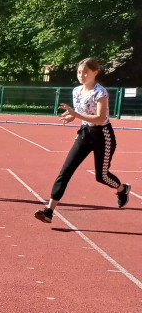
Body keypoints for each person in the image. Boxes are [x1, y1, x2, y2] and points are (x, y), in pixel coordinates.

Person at [35, 58, 130, 223]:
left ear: (95, 72)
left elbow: (100, 119)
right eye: (79, 72)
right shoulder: (76, 91)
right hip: (85, 134)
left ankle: (122, 190)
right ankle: (49, 211)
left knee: (102, 176)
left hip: (103, 136)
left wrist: (76, 114)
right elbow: (80, 112)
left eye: (85, 72)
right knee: (65, 171)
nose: (82, 75)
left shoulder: (100, 92)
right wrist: (71, 116)